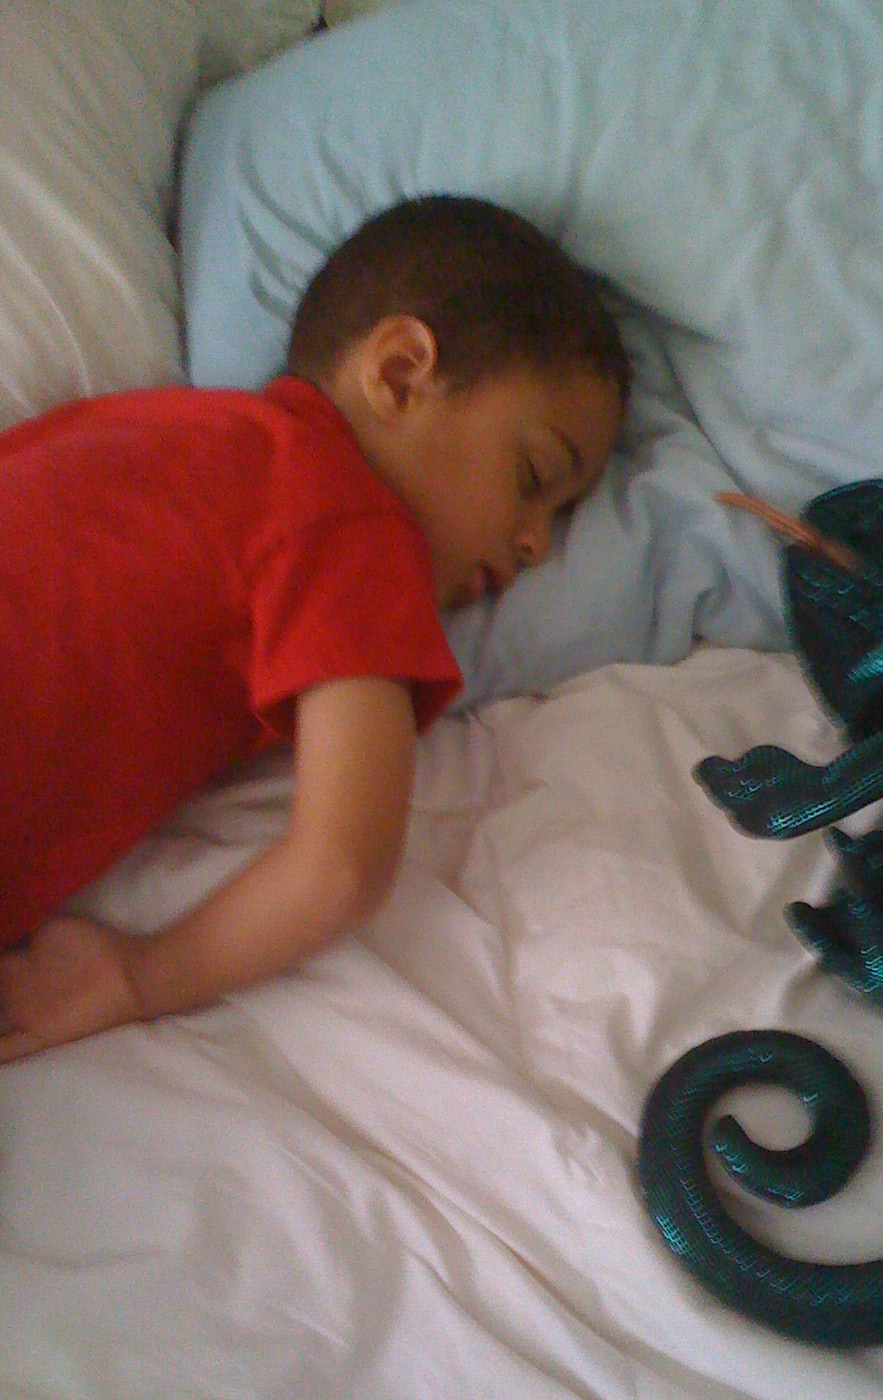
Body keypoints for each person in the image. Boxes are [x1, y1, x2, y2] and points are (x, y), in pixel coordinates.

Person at [0, 195, 628, 1062]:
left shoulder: (155, 422)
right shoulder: (350, 519)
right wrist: (140, 976)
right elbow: (341, 865)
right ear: (400, 374)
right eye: (534, 474)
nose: (539, 543)